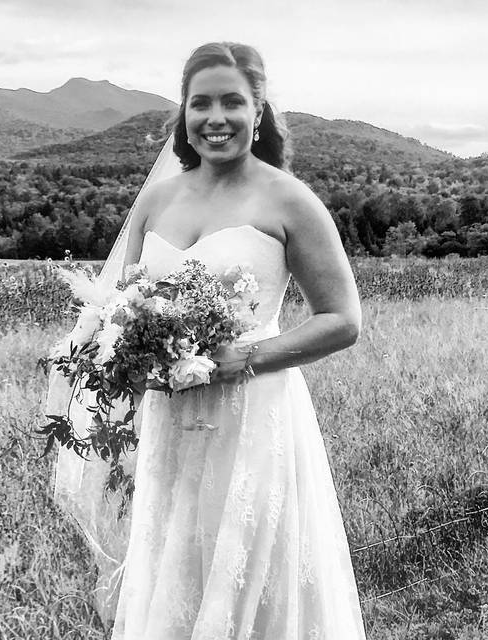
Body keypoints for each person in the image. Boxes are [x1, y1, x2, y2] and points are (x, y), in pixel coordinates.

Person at [46, 41, 366, 639]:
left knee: (248, 567)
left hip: (254, 416)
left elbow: (343, 320)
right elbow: (119, 304)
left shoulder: (290, 200)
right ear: (184, 113)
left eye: (231, 102)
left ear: (259, 108)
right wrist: (127, 352)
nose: (214, 118)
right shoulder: (158, 199)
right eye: (201, 103)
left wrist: (244, 357)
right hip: (169, 422)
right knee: (178, 564)